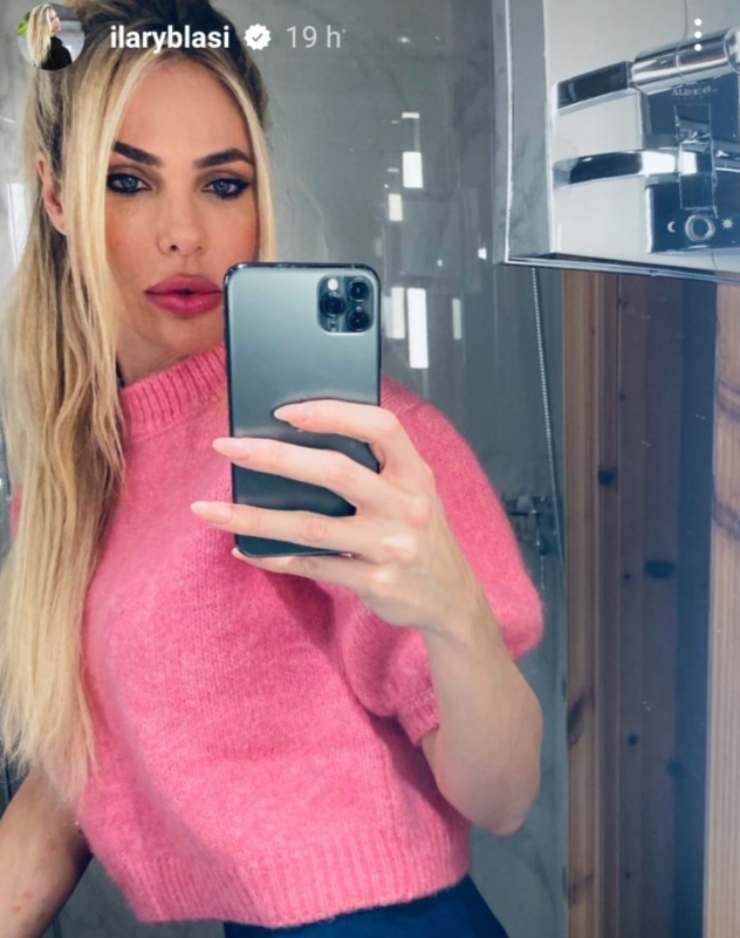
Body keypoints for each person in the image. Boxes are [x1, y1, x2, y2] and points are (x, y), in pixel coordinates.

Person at [0, 1, 545, 935]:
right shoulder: (72, 481)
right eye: (128, 181)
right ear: (55, 196)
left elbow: (503, 795)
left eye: (223, 185)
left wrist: (454, 612)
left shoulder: (350, 442)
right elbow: (58, 803)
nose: (183, 232)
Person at [26, 4, 72, 70]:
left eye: (56, 16)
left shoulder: (38, 52)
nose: (57, 21)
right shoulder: (61, 53)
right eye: (51, 19)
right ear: (42, 25)